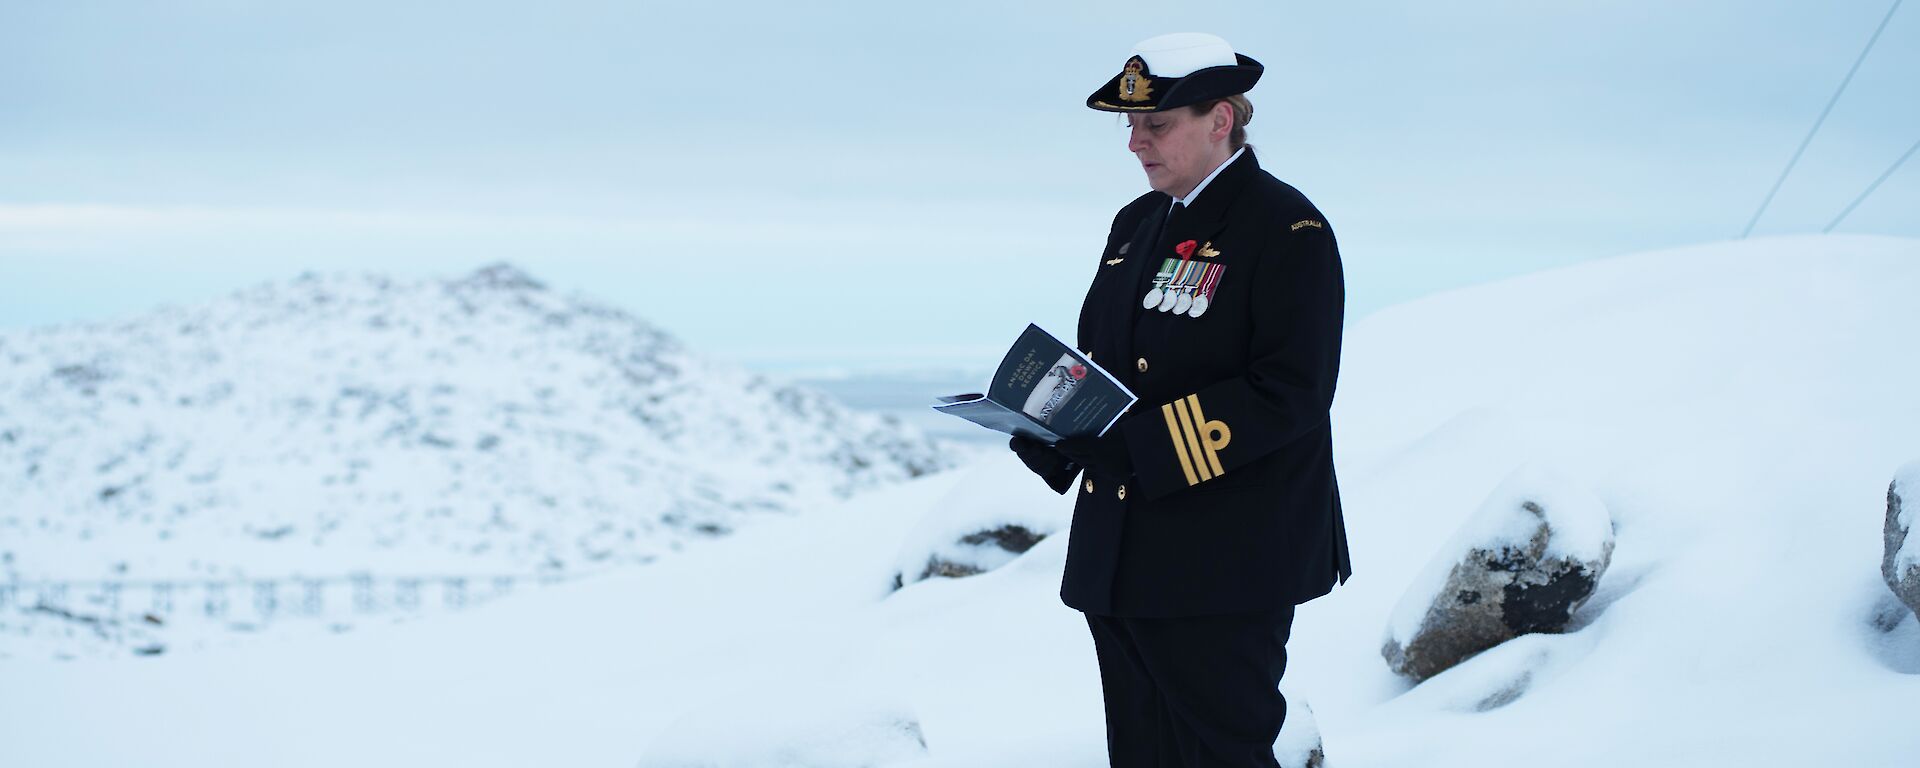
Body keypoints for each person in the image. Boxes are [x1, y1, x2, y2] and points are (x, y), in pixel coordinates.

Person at [1007, 32, 1352, 768]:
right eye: (1130, 126)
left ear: (1220, 120)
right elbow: (1109, 362)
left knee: (1222, 751)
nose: (1136, 143)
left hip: (1226, 556)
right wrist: (1050, 425)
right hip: (1123, 554)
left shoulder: (1286, 228)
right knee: (1142, 751)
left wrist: (1135, 446)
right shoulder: (1136, 226)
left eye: (1155, 124)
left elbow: (1290, 393)